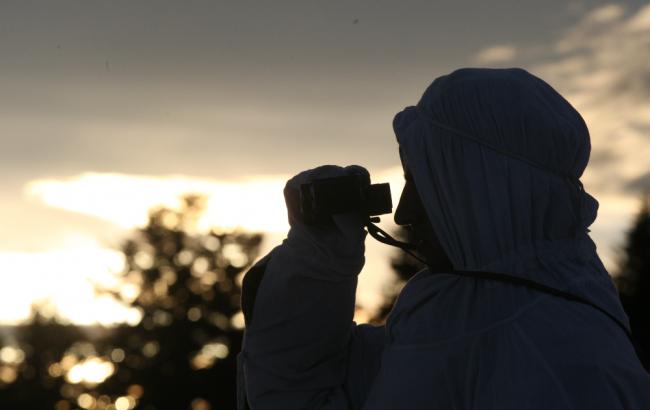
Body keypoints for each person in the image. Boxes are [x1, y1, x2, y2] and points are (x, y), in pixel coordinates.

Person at [237, 68, 650, 409]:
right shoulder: (458, 311)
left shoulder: (559, 359)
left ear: (483, 190)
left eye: (425, 185)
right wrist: (316, 269)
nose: (404, 213)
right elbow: (303, 393)